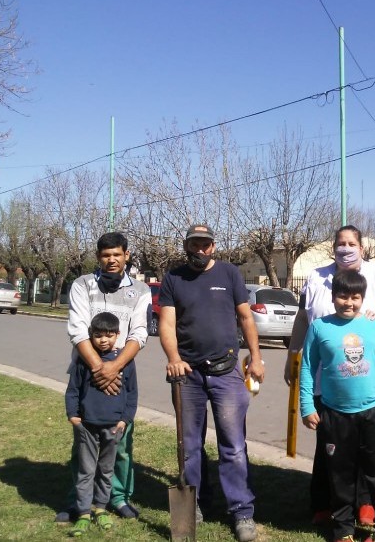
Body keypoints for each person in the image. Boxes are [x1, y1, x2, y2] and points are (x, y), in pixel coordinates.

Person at [284, 225, 375, 527]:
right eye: (341, 243)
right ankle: (325, 503)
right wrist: (293, 355)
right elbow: (303, 318)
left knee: (366, 449)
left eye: (352, 243)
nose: (346, 248)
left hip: (367, 377)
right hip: (328, 380)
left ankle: (365, 505)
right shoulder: (315, 277)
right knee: (330, 444)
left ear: (361, 248)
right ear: (333, 248)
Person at [159, 223, 265, 542]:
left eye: (205, 244)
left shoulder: (230, 274)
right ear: (186, 246)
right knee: (189, 447)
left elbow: (246, 317)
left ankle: (241, 512)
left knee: (232, 446)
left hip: (227, 371)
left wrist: (256, 358)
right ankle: (195, 506)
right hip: (187, 375)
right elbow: (166, 322)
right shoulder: (173, 278)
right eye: (194, 244)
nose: (200, 250)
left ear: (213, 246)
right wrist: (174, 358)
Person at [300, 270, 375, 542]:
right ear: (333, 297)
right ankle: (343, 528)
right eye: (343, 296)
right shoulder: (319, 328)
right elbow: (308, 368)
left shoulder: (372, 328)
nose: (349, 303)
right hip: (335, 413)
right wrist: (307, 406)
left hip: (374, 411)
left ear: (362, 298)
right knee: (340, 474)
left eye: (355, 297)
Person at [58, 232, 151, 522]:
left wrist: (114, 368)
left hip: (122, 375)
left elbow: (139, 333)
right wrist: (100, 368)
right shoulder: (82, 285)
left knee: (120, 445)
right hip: (87, 373)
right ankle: (79, 501)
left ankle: (118, 498)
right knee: (84, 446)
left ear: (126, 255)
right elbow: (77, 329)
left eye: (117, 254)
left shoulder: (140, 290)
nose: (112, 260)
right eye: (105, 255)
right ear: (98, 257)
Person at [64, 312, 138, 537]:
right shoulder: (83, 360)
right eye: (97, 335)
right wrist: (73, 415)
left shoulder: (126, 362)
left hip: (114, 427)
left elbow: (132, 393)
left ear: (118, 335)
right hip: (87, 425)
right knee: (86, 470)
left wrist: (125, 419)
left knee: (106, 470)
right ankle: (84, 511)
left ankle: (101, 508)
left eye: (108, 335)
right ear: (91, 335)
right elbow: (73, 389)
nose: (103, 340)